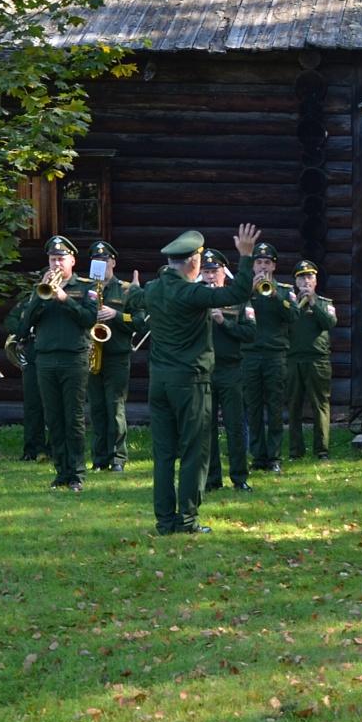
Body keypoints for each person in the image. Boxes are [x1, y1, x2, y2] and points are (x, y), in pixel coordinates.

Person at [129, 226, 258, 534]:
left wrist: (133, 287)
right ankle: (187, 519)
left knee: (163, 455)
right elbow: (238, 293)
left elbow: (135, 300)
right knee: (193, 452)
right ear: (192, 263)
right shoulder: (192, 292)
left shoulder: (154, 289)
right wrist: (246, 256)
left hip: (159, 383)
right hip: (191, 382)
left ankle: (164, 522)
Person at [27, 236, 99, 492]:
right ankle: (61, 472)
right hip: (46, 360)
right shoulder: (40, 289)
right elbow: (25, 325)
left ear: (72, 260)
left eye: (61, 258)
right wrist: (40, 296)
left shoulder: (86, 287)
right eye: (52, 259)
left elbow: (89, 318)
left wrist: (64, 298)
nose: (56, 263)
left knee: (74, 418)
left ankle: (77, 473)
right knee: (54, 418)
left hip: (73, 359)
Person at [86, 241, 144, 474]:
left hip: (117, 355)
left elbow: (140, 321)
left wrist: (117, 315)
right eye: (96, 260)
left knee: (115, 407)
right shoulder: (86, 289)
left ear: (113, 262)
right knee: (97, 408)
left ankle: (118, 458)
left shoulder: (126, 289)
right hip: (93, 354)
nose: (101, 264)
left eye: (105, 260)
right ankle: (99, 459)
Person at [202, 249, 256, 492]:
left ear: (224, 273)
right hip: (204, 371)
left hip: (230, 370)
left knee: (234, 426)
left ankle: (239, 477)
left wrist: (225, 322)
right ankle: (213, 478)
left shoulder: (238, 299)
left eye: (215, 272)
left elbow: (250, 333)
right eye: (206, 271)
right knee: (207, 427)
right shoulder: (197, 298)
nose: (211, 276)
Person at [241, 241, 291, 475]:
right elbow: (232, 310)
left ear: (273, 266)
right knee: (253, 407)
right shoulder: (242, 289)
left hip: (274, 354)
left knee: (274, 407)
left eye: (267, 263)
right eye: (259, 262)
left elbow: (294, 314)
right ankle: (258, 456)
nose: (262, 267)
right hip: (249, 354)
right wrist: (249, 291)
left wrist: (274, 295)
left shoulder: (284, 290)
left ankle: (274, 457)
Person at [285, 259, 337, 461]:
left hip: (318, 360)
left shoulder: (325, 303)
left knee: (320, 406)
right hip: (293, 359)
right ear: (296, 282)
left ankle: (322, 450)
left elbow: (329, 323)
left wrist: (313, 302)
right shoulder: (289, 304)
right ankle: (295, 450)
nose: (306, 281)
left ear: (316, 281)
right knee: (294, 406)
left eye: (309, 277)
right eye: (301, 278)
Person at [4, 285, 48, 461]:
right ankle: (32, 449)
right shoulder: (28, 301)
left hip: (53, 356)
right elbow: (10, 320)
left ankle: (54, 449)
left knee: (54, 406)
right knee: (32, 406)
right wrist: (24, 328)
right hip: (32, 358)